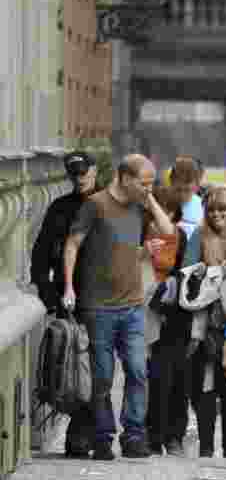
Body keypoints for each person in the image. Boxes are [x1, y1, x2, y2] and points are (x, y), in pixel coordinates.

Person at [62, 154, 175, 460]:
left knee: (138, 371)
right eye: (145, 182)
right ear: (125, 178)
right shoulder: (95, 205)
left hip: (133, 305)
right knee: (102, 376)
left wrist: (149, 201)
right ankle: (102, 436)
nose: (149, 188)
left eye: (152, 183)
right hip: (98, 308)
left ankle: (134, 435)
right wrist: (69, 286)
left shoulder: (140, 206)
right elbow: (73, 244)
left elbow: (168, 231)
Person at [31, 151, 98, 458]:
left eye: (83, 172)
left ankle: (91, 433)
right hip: (69, 301)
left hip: (103, 299)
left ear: (94, 171)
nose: (79, 178)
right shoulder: (59, 209)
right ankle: (81, 433)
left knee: (98, 368)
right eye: (74, 174)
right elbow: (41, 255)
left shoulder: (109, 205)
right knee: (74, 369)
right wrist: (49, 296)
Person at [185, 186, 226, 459]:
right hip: (206, 319)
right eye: (212, 210)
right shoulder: (200, 234)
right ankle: (207, 446)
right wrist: (209, 271)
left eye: (223, 209)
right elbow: (187, 269)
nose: (217, 215)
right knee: (207, 385)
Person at [144, 184, 190, 457]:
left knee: (174, 378)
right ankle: (151, 433)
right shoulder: (140, 234)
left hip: (173, 316)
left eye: (170, 210)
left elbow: (185, 274)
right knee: (150, 377)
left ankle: (172, 435)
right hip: (143, 310)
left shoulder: (180, 237)